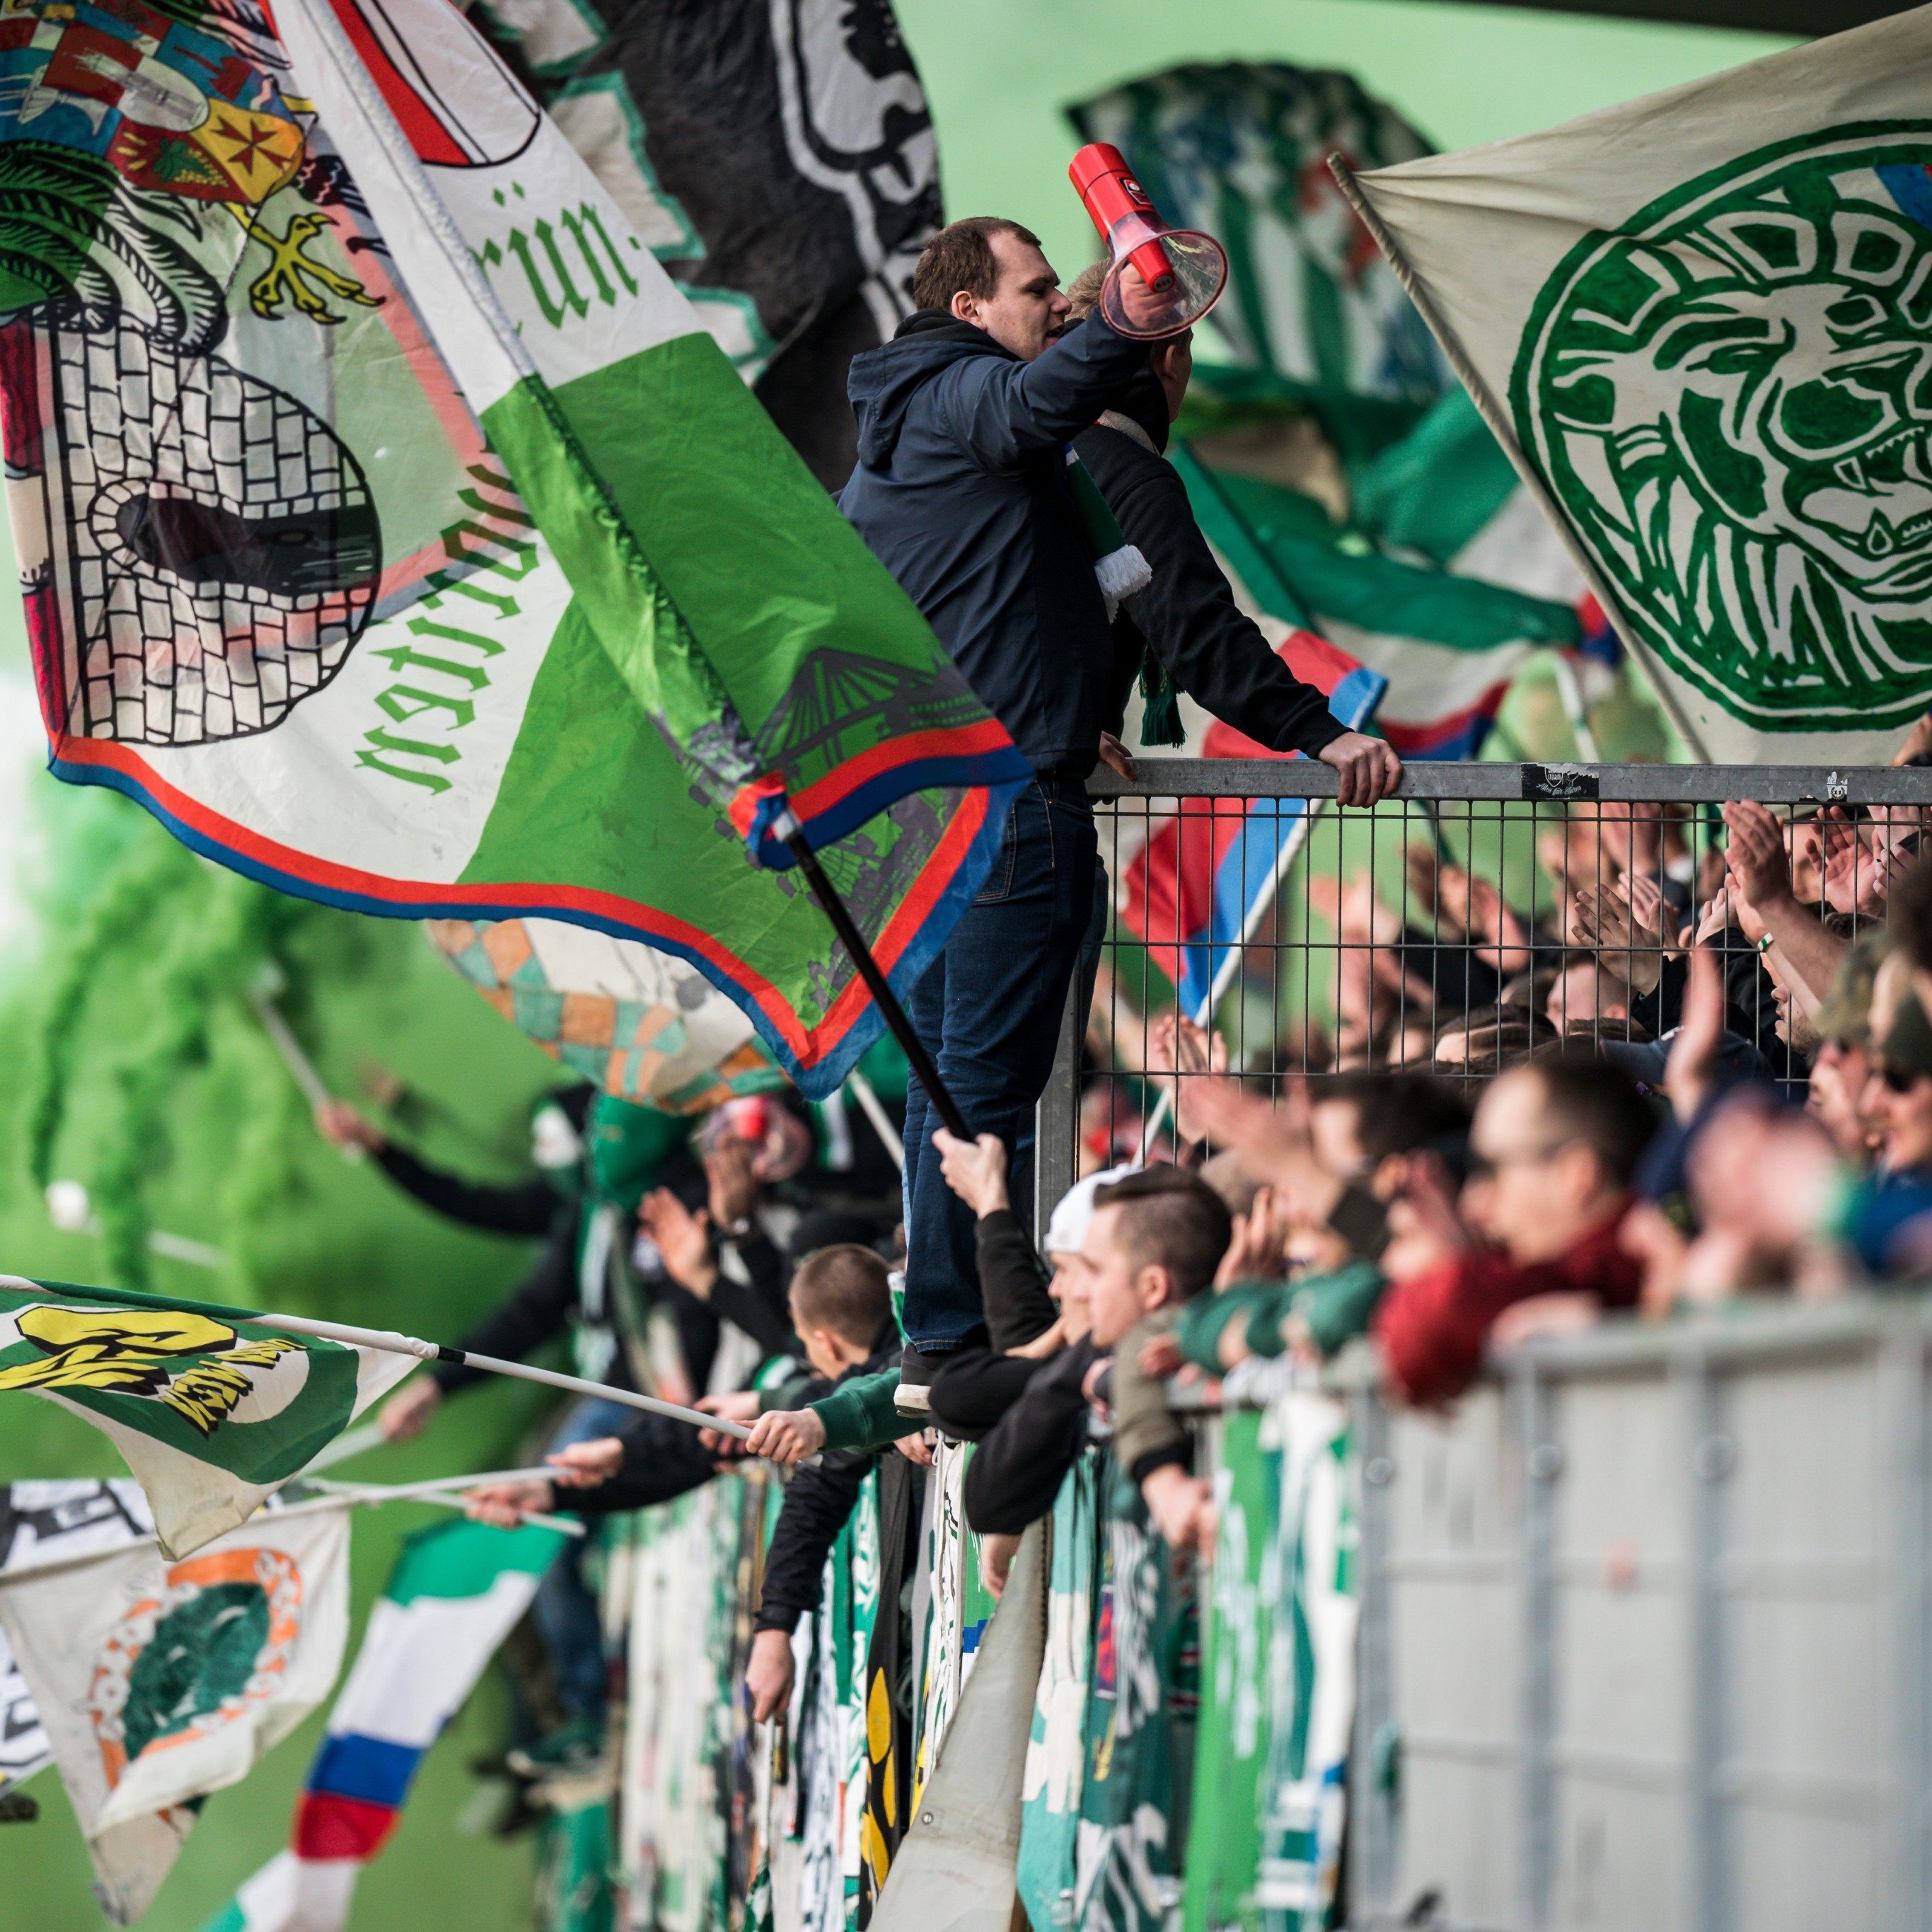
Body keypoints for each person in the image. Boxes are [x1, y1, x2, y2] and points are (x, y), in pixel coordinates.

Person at [838, 216, 1388, 1401]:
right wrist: (1320, 732)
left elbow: (987, 599)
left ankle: (946, 1338)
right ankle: (977, 1343)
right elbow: (1200, 633)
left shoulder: (910, 440)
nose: (1045, 317)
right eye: (1033, 295)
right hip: (1008, 810)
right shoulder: (1062, 433)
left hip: (929, 813)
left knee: (953, 1083)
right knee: (988, 1094)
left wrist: (1056, 683)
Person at [1059, 262, 1401, 797]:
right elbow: (1192, 626)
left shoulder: (1041, 450)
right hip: (1034, 798)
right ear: (1171, 357)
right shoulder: (1123, 468)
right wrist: (1320, 731)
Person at [1373, 1052, 1655, 1406]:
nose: (1475, 1202)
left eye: (1492, 1168)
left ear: (1576, 1176)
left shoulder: (1618, 1262)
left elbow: (1424, 1325)